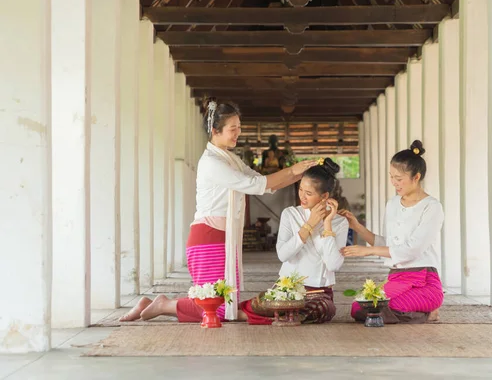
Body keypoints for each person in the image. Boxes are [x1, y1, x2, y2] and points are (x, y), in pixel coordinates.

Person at [120, 99, 317, 323]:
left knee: (225, 304)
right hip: (208, 235)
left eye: (239, 128)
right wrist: (292, 169)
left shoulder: (230, 158)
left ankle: (156, 304)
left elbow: (263, 183)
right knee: (218, 307)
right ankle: (164, 305)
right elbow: (255, 185)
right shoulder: (212, 162)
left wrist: (301, 174)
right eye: (233, 129)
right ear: (215, 130)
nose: (238, 134)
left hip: (224, 236)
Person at [339, 140, 444, 324]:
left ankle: (429, 312)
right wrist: (356, 226)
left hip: (424, 281)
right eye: (391, 176)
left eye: (399, 178)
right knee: (359, 307)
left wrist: (368, 251)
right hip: (396, 278)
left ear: (416, 177)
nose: (394, 183)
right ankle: (423, 313)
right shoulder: (393, 203)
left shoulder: (432, 207)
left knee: (387, 306)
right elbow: (388, 244)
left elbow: (411, 249)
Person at [240, 158, 349, 324]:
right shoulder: (290, 214)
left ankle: (279, 315)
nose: (302, 197)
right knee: (263, 302)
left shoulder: (339, 222)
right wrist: (309, 225)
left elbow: (333, 264)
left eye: (309, 193)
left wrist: (327, 224)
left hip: (318, 292)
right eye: (300, 190)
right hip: (286, 288)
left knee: (323, 308)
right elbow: (283, 255)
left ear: (324, 196)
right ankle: (281, 314)